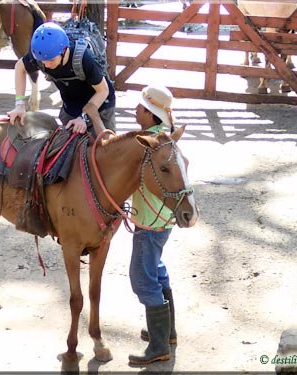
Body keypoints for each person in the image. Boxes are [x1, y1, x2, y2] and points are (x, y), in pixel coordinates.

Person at [127, 84, 177, 366]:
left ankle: (159, 347)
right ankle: (167, 332)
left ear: (152, 115)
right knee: (156, 271)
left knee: (143, 278)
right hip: (163, 220)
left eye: (141, 108)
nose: (136, 111)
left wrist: (95, 119)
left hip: (150, 220)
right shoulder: (165, 138)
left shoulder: (149, 144)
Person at [7, 22, 116, 134]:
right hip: (71, 104)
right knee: (68, 147)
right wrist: (19, 105)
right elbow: (19, 67)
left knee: (106, 147)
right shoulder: (42, 54)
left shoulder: (83, 58)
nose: (46, 65)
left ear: (64, 50)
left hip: (99, 104)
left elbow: (103, 90)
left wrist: (83, 117)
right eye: (43, 62)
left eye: (51, 60)